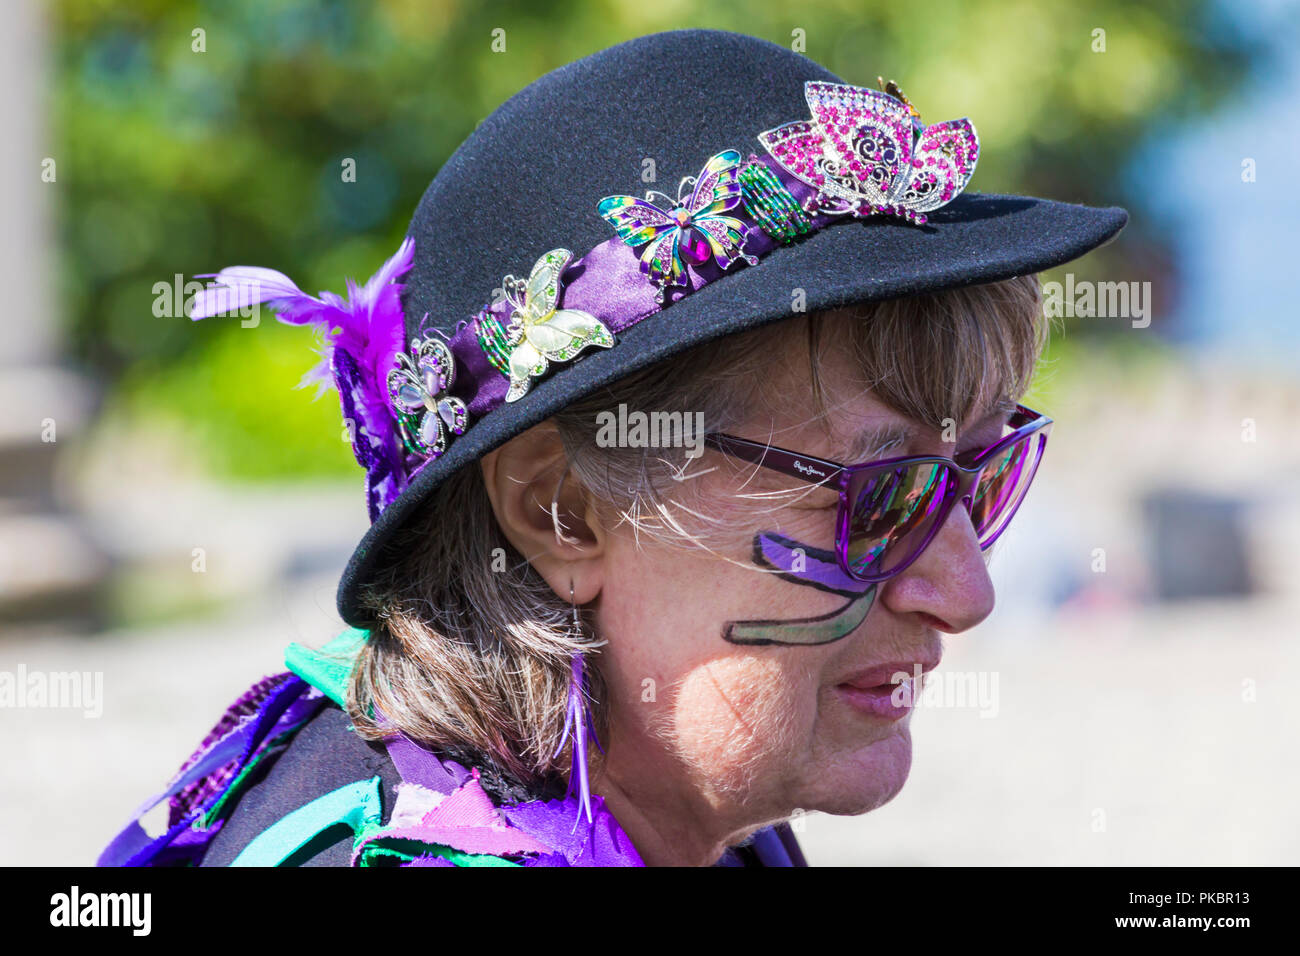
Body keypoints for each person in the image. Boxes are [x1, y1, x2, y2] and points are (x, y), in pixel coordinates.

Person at [99, 28, 1126, 867]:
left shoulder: (704, 818)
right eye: (881, 496)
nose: (964, 591)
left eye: (981, 476)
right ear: (560, 510)